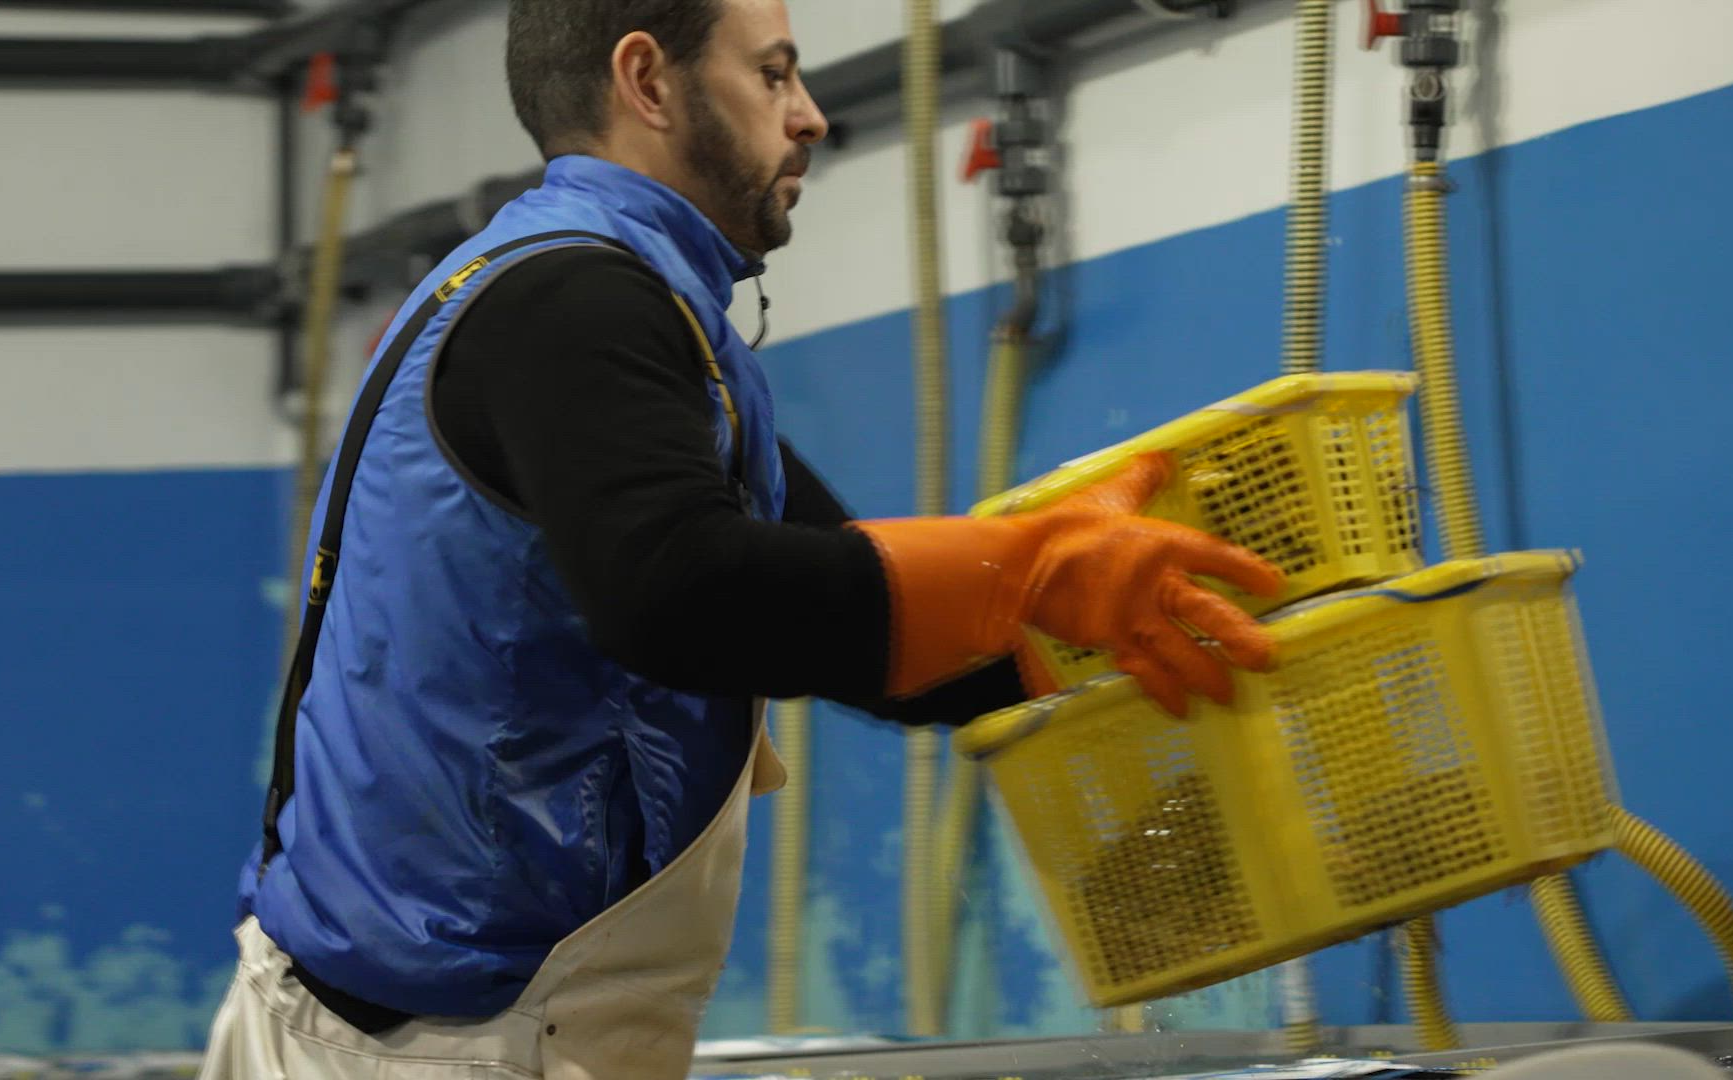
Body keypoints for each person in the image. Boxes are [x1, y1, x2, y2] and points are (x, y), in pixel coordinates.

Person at [196, 1, 1284, 1076]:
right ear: (648, 80)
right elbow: (680, 594)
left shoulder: (618, 306)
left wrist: (1104, 630)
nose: (809, 115)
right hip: (435, 1046)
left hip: (445, 1020)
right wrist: (1031, 571)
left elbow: (828, 614)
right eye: (773, 75)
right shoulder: (573, 302)